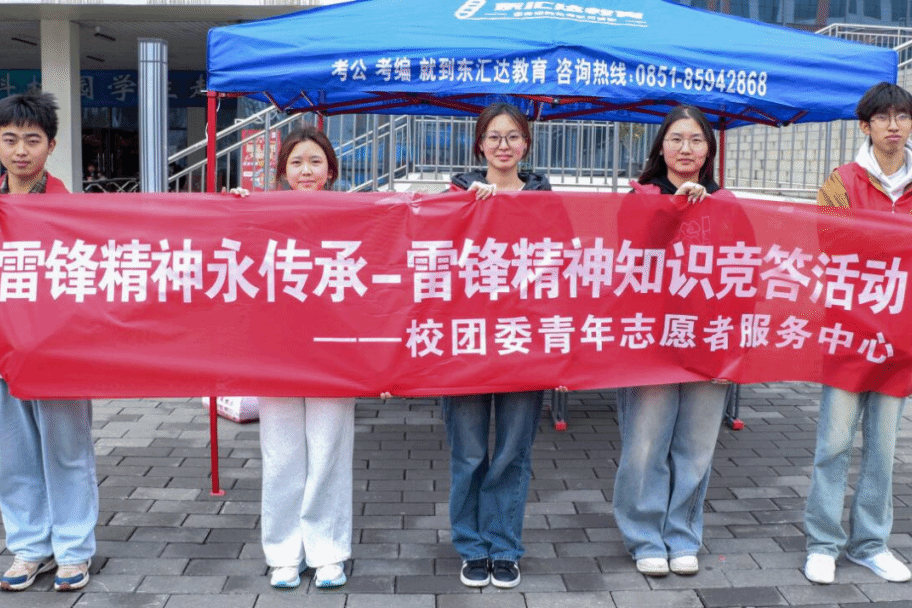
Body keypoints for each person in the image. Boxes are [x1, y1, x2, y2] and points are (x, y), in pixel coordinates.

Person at [613, 105, 734, 578]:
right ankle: (645, 536)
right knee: (645, 442)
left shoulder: (727, 203)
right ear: (660, 147)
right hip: (651, 342)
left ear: (709, 150)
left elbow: (746, 270)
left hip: (709, 340)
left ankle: (682, 534)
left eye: (696, 140)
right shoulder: (639, 198)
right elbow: (629, 257)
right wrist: (674, 208)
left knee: (696, 445)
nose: (686, 149)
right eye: (677, 139)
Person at [232, 125, 355, 590]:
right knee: (281, 454)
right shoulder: (260, 212)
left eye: (315, 162)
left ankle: (328, 552)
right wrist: (232, 207)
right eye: (297, 162)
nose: (306, 170)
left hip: (334, 353)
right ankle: (284, 553)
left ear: (331, 171)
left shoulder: (355, 215)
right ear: (282, 171)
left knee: (328, 451)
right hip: (276, 352)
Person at [803, 82, 912, 585]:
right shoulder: (841, 180)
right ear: (865, 125)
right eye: (883, 117)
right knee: (833, 442)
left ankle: (871, 543)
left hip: (901, 336)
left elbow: (859, 243)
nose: (894, 125)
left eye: (902, 116)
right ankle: (822, 542)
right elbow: (832, 241)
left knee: (883, 448)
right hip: (848, 331)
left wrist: (875, 243)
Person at [444, 102, 550, 589]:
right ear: (479, 145)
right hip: (465, 344)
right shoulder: (455, 196)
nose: (503, 145)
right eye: (494, 136)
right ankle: (471, 546)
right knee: (468, 452)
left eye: (512, 136)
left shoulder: (546, 201)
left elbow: (566, 266)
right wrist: (464, 210)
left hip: (524, 342)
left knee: (512, 451)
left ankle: (504, 546)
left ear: (526, 144)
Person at [0, 89, 98, 592]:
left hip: (57, 351)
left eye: (32, 140)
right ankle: (28, 547)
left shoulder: (72, 211)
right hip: (2, 351)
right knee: (12, 455)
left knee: (66, 451)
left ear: (51, 145)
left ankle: (74, 550)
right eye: (10, 139)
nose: (20, 150)